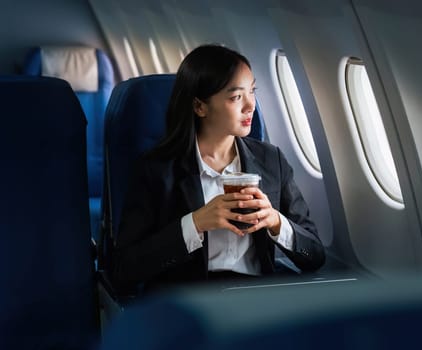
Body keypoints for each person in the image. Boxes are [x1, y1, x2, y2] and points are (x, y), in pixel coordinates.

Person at [112, 44, 325, 293]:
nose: (250, 106)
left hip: (257, 297)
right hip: (189, 301)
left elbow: (316, 255)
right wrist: (195, 223)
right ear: (200, 106)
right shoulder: (156, 169)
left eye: (252, 92)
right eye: (236, 97)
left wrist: (276, 222)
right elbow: (124, 268)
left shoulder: (271, 160)